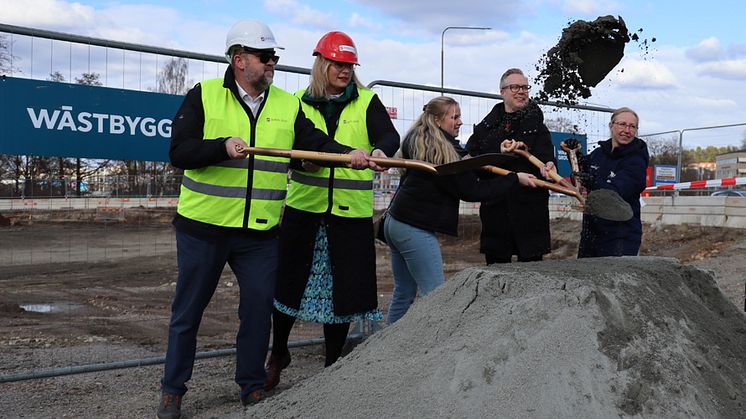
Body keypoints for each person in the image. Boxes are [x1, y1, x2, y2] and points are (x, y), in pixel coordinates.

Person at [158, 20, 374, 419]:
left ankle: (252, 387)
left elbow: (315, 143)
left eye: (274, 56)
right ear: (239, 60)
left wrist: (350, 154)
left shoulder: (286, 105)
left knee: (258, 310)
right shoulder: (203, 96)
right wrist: (220, 147)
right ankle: (173, 390)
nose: (272, 62)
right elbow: (179, 151)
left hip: (258, 233)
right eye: (265, 56)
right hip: (204, 229)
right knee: (188, 312)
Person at [263, 31, 399, 391]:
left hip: (348, 215)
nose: (344, 70)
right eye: (338, 64)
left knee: (345, 291)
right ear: (322, 64)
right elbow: (289, 147)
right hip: (304, 211)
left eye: (349, 65)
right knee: (288, 286)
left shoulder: (368, 101)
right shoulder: (295, 102)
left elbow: (388, 137)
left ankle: (332, 364)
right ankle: (278, 354)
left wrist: (383, 152)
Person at [384, 96, 537, 324]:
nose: (460, 122)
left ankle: (388, 346)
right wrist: (515, 180)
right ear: (437, 120)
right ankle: (432, 349)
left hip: (395, 222)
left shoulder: (420, 138)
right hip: (414, 228)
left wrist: (500, 153)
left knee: (404, 292)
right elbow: (472, 189)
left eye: (459, 116)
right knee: (436, 296)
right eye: (454, 117)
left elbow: (469, 164)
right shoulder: (441, 150)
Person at [466, 68, 556, 264]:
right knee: (497, 270)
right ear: (502, 92)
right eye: (515, 87)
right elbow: (473, 159)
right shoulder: (486, 127)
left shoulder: (537, 125)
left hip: (530, 208)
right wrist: (498, 150)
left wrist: (549, 165)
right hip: (497, 207)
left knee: (531, 270)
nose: (521, 91)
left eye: (525, 87)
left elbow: (547, 156)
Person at [577, 107, 649, 257]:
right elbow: (579, 178)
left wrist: (593, 182)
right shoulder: (598, 154)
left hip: (620, 236)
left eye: (632, 126)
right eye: (622, 124)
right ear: (611, 125)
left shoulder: (636, 159)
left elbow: (619, 190)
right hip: (591, 233)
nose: (627, 130)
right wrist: (576, 156)